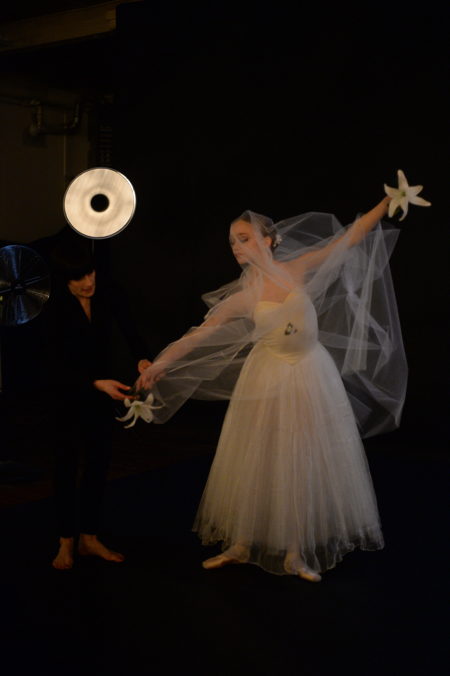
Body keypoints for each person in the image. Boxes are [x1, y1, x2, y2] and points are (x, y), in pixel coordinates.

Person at [135, 192, 407, 582]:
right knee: (257, 457)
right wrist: (162, 363)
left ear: (268, 239)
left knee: (301, 456)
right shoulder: (244, 296)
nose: (236, 247)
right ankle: (242, 543)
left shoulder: (299, 268)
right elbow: (199, 334)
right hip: (267, 375)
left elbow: (347, 239)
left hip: (309, 372)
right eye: (232, 241)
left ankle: (296, 551)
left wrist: (386, 203)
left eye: (243, 238)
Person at [42, 231, 152, 570]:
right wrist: (93, 383)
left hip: (103, 394)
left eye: (90, 273)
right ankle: (65, 541)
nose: (88, 282)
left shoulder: (107, 290)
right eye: (79, 278)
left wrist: (143, 359)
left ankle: (89, 538)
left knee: (98, 464)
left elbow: (130, 329)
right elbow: (50, 365)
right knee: (65, 467)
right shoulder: (51, 306)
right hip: (66, 394)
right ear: (64, 280)